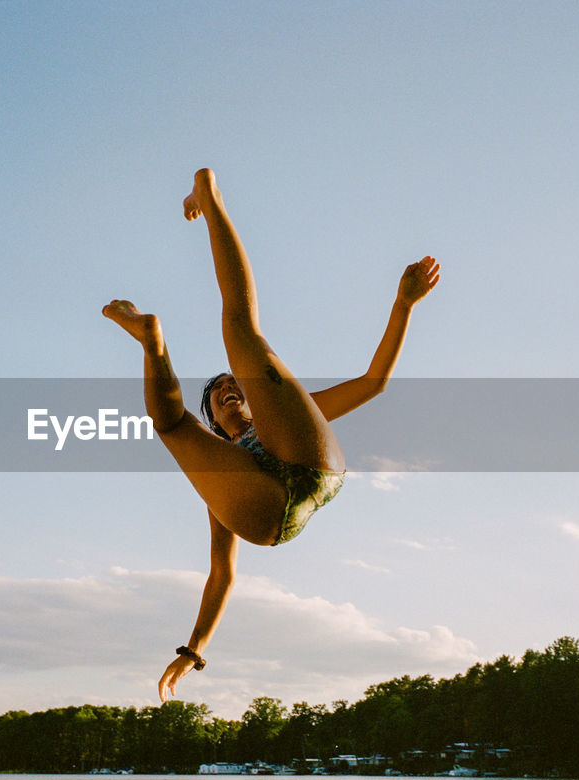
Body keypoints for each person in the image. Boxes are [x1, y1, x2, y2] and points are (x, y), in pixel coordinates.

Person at [103, 168, 440, 701]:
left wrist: (402, 306)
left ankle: (211, 200)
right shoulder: (222, 476)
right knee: (169, 425)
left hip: (310, 462)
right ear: (215, 419)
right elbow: (221, 578)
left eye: (235, 385)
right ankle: (152, 342)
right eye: (219, 393)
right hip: (266, 511)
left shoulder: (279, 419)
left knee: (242, 329)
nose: (230, 389)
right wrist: (193, 650)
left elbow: (374, 383)